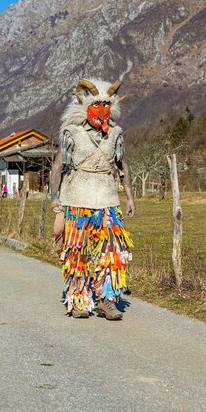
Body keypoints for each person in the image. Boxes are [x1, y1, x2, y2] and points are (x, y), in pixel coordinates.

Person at [49, 79, 135, 320]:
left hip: (107, 199)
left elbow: (122, 165)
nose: (102, 110)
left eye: (106, 105)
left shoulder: (115, 134)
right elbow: (57, 166)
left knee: (112, 252)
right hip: (77, 199)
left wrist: (129, 197)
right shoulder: (72, 133)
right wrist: (54, 197)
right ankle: (79, 299)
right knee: (78, 253)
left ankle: (107, 300)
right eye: (96, 104)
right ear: (85, 106)